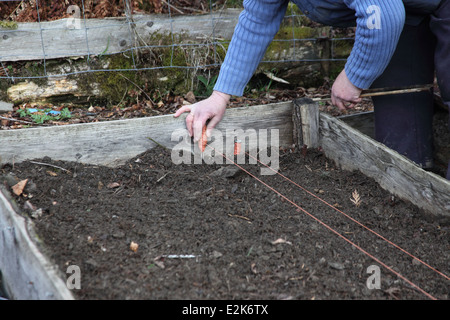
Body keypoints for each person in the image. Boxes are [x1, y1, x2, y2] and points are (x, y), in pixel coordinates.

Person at [174, 0, 450, 180]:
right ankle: (417, 190)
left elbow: (384, 18)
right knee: (400, 141)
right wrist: (220, 95)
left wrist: (353, 77)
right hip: (408, 11)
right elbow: (257, 19)